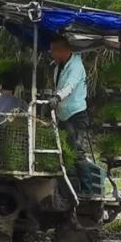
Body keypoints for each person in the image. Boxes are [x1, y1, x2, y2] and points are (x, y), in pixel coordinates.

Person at [48, 36, 91, 165]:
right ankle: (70, 183)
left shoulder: (76, 66)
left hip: (76, 115)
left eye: (53, 51)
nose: (52, 54)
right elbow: (59, 87)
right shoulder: (59, 67)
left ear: (63, 50)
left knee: (76, 152)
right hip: (63, 115)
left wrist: (57, 98)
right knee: (65, 152)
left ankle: (85, 185)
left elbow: (69, 86)